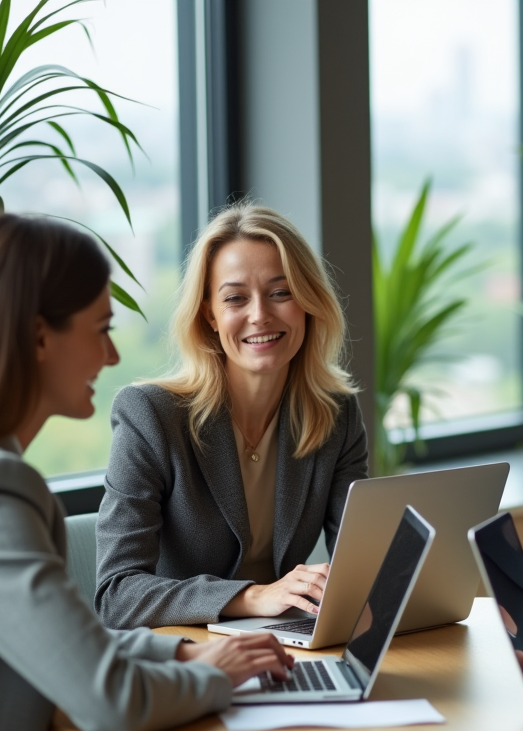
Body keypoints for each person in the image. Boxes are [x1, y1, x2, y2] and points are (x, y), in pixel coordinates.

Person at [0, 215, 293, 731]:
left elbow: (69, 642)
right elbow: (106, 698)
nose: (112, 353)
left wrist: (193, 652)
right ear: (41, 337)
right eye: (100, 328)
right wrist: (217, 674)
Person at [93, 202, 367, 632]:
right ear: (210, 315)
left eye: (281, 292)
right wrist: (254, 595)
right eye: (235, 298)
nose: (260, 314)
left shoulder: (334, 414)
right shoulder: (150, 416)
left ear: (308, 301)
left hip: (288, 644)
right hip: (190, 657)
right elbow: (117, 594)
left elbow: (361, 558)